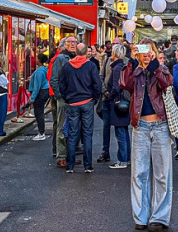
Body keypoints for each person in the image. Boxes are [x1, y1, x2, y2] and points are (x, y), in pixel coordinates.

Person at [120, 38, 174, 231]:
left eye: (148, 50)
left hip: (160, 126)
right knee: (139, 173)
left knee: (162, 174)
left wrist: (154, 65)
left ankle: (159, 217)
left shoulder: (161, 69)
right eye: (141, 50)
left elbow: (166, 84)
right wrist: (132, 61)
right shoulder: (134, 69)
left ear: (153, 51)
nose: (144, 53)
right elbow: (125, 84)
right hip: (140, 126)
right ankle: (141, 217)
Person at [59, 43, 102, 173]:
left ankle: (70, 165)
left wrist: (67, 98)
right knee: (87, 134)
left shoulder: (67, 66)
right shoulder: (90, 66)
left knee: (72, 134)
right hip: (87, 101)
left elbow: (62, 85)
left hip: (73, 103)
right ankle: (87, 165)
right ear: (86, 53)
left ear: (76, 52)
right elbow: (97, 84)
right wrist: (94, 98)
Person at [50, 36, 78, 168]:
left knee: (72, 128)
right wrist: (59, 96)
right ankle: (61, 156)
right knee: (62, 127)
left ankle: (70, 156)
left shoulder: (76, 57)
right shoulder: (61, 58)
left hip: (74, 98)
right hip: (64, 98)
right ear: (64, 44)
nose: (73, 44)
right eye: (70, 42)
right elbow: (54, 79)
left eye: (75, 42)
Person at [104, 44, 130, 169]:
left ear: (114, 53)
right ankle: (127, 158)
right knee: (124, 131)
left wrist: (109, 96)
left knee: (120, 132)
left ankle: (122, 160)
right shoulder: (124, 66)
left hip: (117, 102)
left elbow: (116, 87)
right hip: (124, 101)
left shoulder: (116, 68)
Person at [28, 53, 50, 141]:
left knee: (39, 112)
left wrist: (32, 98)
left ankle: (41, 133)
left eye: (37, 58)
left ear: (39, 60)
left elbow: (37, 86)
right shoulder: (44, 69)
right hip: (45, 91)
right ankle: (41, 132)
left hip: (41, 93)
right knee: (39, 112)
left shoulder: (39, 71)